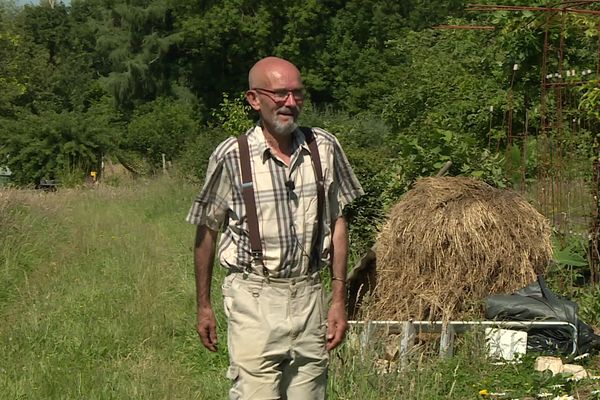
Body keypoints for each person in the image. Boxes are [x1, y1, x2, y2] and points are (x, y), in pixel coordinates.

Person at [186, 56, 363, 399]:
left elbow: (338, 221)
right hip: (254, 299)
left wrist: (338, 298)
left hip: (310, 294)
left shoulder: (323, 147)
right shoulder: (231, 155)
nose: (291, 103)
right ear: (254, 99)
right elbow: (206, 233)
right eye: (280, 94)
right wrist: (203, 305)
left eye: (297, 94)